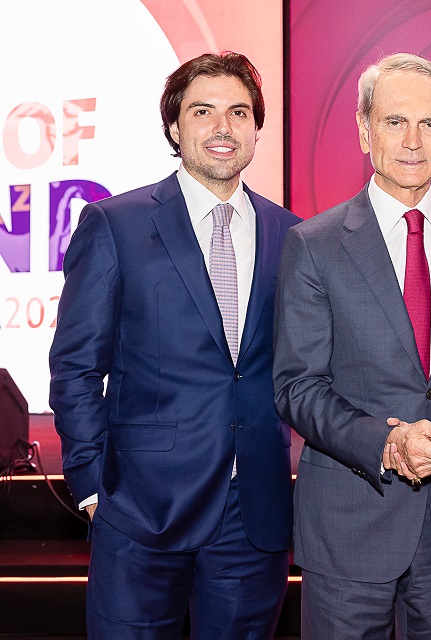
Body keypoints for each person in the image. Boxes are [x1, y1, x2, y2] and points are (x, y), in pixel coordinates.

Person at [48, 52, 298, 638]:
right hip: (139, 510)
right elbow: (77, 366)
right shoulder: (116, 224)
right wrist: (88, 485)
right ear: (174, 127)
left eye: (238, 112)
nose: (222, 127)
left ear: (256, 128)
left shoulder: (291, 234)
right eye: (203, 111)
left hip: (253, 514)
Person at [273, 52, 431, 639]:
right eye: (395, 122)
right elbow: (297, 387)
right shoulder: (314, 244)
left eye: (429, 124)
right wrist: (390, 441)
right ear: (363, 129)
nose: (412, 141)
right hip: (351, 523)